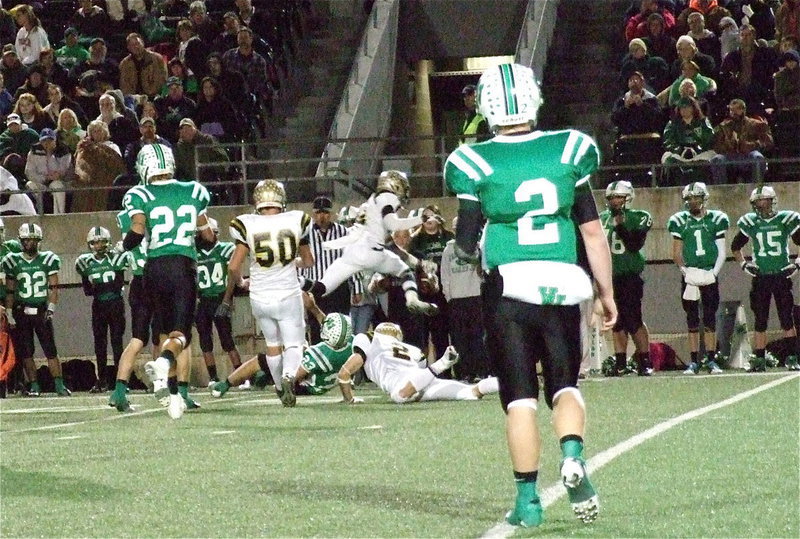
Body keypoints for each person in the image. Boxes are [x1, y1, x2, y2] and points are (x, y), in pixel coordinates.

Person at [444, 63, 616, 528]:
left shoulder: (472, 160)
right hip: (562, 280)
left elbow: (464, 240)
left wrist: (478, 246)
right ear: (533, 97)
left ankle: (528, 501)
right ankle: (574, 455)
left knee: (520, 398)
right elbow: (594, 233)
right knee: (565, 385)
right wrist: (606, 293)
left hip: (508, 287)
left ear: (486, 106)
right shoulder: (569, 148)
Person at [122, 142, 213, 419]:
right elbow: (208, 237)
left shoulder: (139, 193)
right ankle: (164, 364)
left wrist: (124, 247)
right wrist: (202, 240)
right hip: (181, 266)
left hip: (153, 268)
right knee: (181, 335)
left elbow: (137, 231)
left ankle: (173, 396)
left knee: (163, 334)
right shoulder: (193, 190)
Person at [216, 179, 314, 407]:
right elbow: (309, 261)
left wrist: (241, 281)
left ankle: (279, 386)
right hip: (288, 293)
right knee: (293, 344)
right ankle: (290, 375)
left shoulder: (248, 224)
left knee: (271, 343)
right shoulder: (296, 220)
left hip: (260, 295)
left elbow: (233, 266)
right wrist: (293, 262)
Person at [301, 171, 438, 317]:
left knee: (321, 287)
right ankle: (412, 299)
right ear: (395, 186)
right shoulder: (387, 199)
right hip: (372, 252)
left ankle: (294, 281)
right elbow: (392, 230)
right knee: (405, 272)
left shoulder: (371, 202)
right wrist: (421, 220)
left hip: (352, 253)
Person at [336, 321, 498, 405]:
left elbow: (344, 373)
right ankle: (514, 380)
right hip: (424, 380)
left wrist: (349, 399)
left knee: (400, 395)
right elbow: (421, 372)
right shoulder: (412, 350)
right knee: (471, 392)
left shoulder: (369, 338)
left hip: (405, 384)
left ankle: (441, 363)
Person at [731, 186, 800, 372]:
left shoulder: (785, 219)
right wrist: (744, 265)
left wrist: (797, 263)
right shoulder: (751, 221)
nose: (761, 205)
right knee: (760, 319)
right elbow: (735, 246)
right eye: (758, 201)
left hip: (781, 274)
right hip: (761, 276)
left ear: (772, 201)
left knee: (787, 318)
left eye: (764, 200)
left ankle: (792, 357)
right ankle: (759, 358)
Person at [667, 182, 728, 374]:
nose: (693, 201)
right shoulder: (679, 220)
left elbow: (722, 251)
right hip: (691, 275)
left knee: (710, 318)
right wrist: (687, 273)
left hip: (709, 272)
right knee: (691, 319)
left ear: (704, 198)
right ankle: (693, 361)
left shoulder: (716, 219)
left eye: (696, 197)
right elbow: (676, 253)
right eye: (689, 198)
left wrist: (713, 273)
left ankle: (711, 360)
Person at [3, 222, 69, 396]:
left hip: (41, 309)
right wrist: (9, 312)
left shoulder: (48, 258)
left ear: (39, 241)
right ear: (20, 241)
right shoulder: (12, 261)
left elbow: (54, 287)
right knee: (26, 351)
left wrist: (52, 307)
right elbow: (10, 289)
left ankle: (59, 385)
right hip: (21, 310)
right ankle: (34, 385)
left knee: (50, 349)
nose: (30, 243)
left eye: (34, 240)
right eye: (27, 240)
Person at [599, 181, 653, 376]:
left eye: (619, 197)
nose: (615, 201)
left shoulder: (639, 217)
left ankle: (645, 360)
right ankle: (621, 362)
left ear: (628, 197)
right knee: (617, 321)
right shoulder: (602, 219)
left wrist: (620, 226)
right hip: (609, 276)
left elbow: (633, 245)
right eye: (612, 198)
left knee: (634, 319)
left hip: (630, 276)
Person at [75, 226, 128, 392]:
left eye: (102, 242)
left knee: (117, 342)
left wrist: (99, 286)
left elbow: (118, 284)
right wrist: (101, 287)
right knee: (100, 344)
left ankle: (121, 381)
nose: (98, 246)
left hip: (115, 304)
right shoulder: (85, 262)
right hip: (99, 306)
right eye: (95, 243)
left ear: (108, 242)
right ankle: (102, 380)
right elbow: (87, 291)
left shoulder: (116, 258)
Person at [300, 196, 356, 344]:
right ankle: (320, 363)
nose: (321, 216)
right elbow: (299, 260)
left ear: (330, 214)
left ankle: (340, 362)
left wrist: (356, 287)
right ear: (313, 213)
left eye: (325, 213)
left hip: (339, 287)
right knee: (316, 328)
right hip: (314, 285)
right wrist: (300, 288)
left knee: (341, 325)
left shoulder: (343, 232)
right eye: (318, 213)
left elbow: (352, 259)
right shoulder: (304, 233)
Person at [440, 216, 489, 382]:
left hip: (475, 296)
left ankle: (481, 371)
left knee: (478, 336)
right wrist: (449, 296)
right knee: (459, 338)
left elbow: (484, 271)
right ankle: (463, 372)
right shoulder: (448, 250)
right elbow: (444, 274)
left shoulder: (477, 247)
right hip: (457, 299)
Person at [194, 217, 242, 385]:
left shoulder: (224, 249)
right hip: (203, 300)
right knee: (205, 341)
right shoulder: (195, 253)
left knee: (227, 340)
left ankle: (240, 376)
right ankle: (213, 378)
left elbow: (232, 276)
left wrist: (227, 300)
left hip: (220, 298)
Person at [710, 98, 773, 184]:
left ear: (743, 110)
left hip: (749, 155)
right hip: (730, 156)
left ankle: (756, 189)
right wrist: (728, 145)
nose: (733, 112)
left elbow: (768, 142)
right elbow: (716, 146)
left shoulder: (756, 124)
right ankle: (721, 190)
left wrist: (751, 145)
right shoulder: (723, 126)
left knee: (758, 157)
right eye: (731, 110)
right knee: (717, 159)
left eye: (737, 109)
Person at [74, 119, 126, 213]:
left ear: (105, 132)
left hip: (107, 180)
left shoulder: (112, 146)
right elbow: (81, 164)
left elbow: (117, 164)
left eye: (99, 130)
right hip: (91, 181)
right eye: (94, 131)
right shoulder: (86, 148)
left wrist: (98, 150)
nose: (97, 133)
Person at [661, 97, 716, 185]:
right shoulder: (673, 123)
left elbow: (710, 137)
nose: (684, 110)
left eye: (687, 107)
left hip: (700, 154)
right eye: (682, 108)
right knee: (668, 159)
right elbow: (667, 141)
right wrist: (679, 149)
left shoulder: (703, 122)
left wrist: (697, 148)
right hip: (678, 155)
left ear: (693, 108)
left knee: (710, 159)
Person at [24, 128, 73, 215]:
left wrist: (58, 174)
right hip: (41, 181)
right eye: (44, 140)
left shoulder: (63, 151)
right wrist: (44, 178)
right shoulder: (34, 152)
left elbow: (65, 168)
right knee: (30, 184)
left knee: (57, 186)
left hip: (59, 181)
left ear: (55, 140)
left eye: (50, 140)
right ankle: (39, 213)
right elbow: (29, 172)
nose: (47, 143)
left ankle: (59, 214)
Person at [119, 33, 168, 99]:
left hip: (154, 97)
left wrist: (150, 94)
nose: (136, 47)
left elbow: (162, 79)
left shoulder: (157, 59)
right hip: (134, 99)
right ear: (128, 47)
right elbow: (124, 85)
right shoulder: (124, 64)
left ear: (143, 43)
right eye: (132, 45)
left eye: (137, 43)